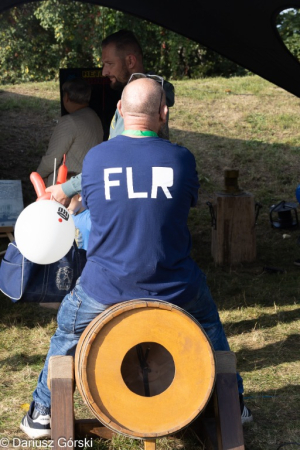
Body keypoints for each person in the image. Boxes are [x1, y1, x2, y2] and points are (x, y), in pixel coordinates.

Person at [20, 77, 252, 440]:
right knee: (210, 323)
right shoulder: (182, 159)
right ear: (163, 112)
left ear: (118, 111)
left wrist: (64, 192)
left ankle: (42, 411)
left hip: (103, 288)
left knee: (66, 331)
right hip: (175, 285)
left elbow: (89, 196)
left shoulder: (96, 159)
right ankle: (233, 403)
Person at [45, 30, 175, 203]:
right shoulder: (152, 94)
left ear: (130, 61)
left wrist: (67, 189)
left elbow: (114, 160)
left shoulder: (139, 104)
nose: (104, 72)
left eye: (109, 64)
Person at [36, 77, 104, 186]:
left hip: (65, 187)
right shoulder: (95, 117)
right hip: (87, 182)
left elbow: (51, 160)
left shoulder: (69, 121)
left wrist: (37, 176)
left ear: (66, 97)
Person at [66, 172, 91, 251]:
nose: (64, 204)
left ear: (79, 196)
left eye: (67, 200)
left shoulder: (89, 217)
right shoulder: (66, 216)